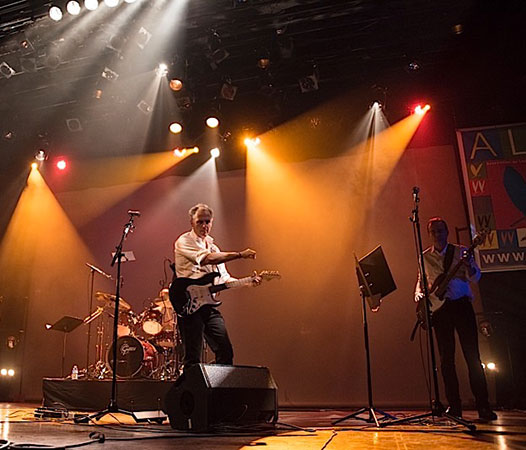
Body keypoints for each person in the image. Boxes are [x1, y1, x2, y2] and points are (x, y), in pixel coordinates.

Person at [415, 217, 497, 421]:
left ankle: (483, 405)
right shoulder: (424, 257)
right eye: (433, 232)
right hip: (440, 310)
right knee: (446, 360)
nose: (437, 235)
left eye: (440, 230)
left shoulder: (461, 252)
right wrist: (418, 294)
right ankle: (454, 406)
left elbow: (475, 277)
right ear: (429, 234)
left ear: (447, 232)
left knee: (473, 357)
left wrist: (469, 266)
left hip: (461, 305)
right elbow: (421, 280)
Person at [173, 203, 259, 368]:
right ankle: (191, 383)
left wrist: (248, 282)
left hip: (208, 305)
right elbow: (208, 259)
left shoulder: (213, 247)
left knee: (225, 351)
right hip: (189, 304)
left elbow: (224, 279)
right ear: (192, 222)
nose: (204, 226)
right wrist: (240, 255)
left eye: (207, 222)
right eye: (200, 222)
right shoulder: (184, 241)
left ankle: (218, 383)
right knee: (193, 357)